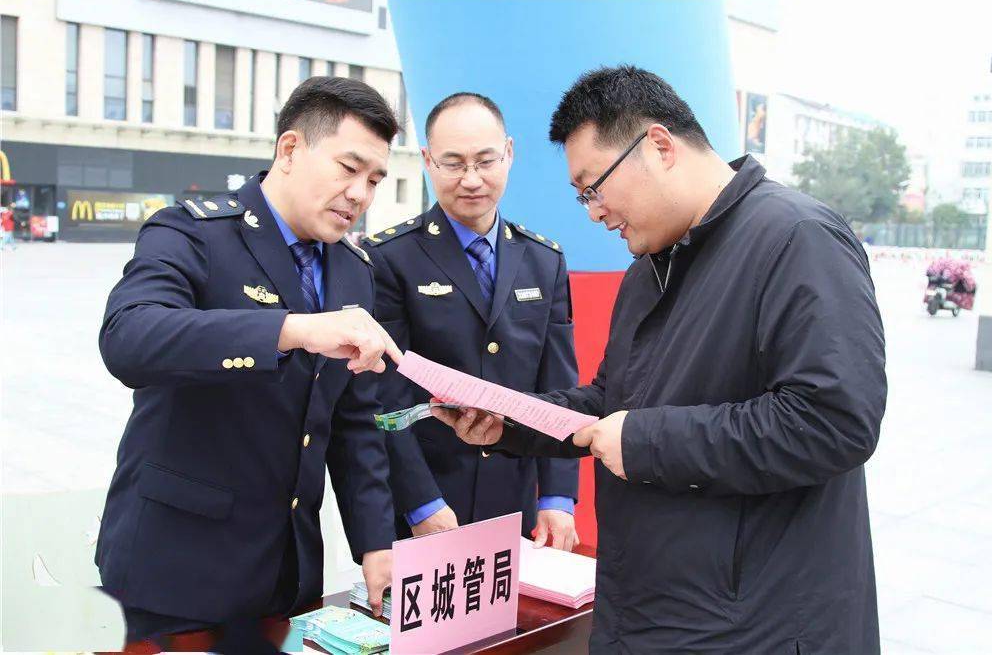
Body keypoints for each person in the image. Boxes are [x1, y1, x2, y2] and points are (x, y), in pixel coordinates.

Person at [433, 66, 887, 653]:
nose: (593, 213)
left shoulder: (796, 238)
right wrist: (510, 421)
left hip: (752, 628)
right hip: (653, 613)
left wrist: (647, 441)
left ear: (659, 146)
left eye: (593, 188)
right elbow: (610, 404)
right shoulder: (650, 268)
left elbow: (833, 421)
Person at [96, 77, 402, 649]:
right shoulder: (194, 232)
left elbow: (355, 422)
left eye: (375, 179)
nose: (360, 193)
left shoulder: (354, 269)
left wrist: (375, 542)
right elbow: (128, 338)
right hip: (180, 570)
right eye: (348, 168)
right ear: (290, 150)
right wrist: (292, 330)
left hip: (287, 570)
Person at [365, 93, 580, 549]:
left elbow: (558, 383)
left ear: (509, 153)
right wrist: (421, 502)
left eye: (485, 161)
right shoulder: (391, 259)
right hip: (426, 503)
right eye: (453, 163)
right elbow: (384, 395)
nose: (471, 180)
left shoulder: (544, 260)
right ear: (427, 160)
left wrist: (558, 497)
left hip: (513, 498)